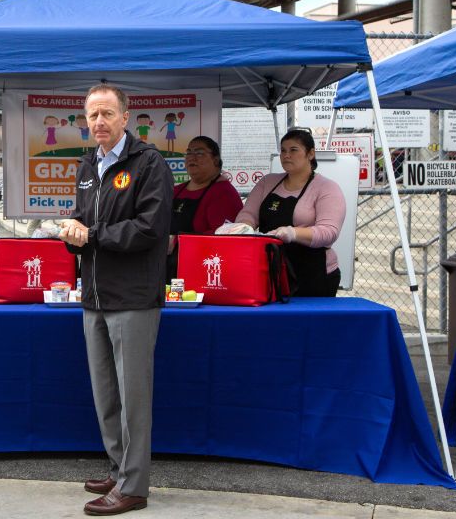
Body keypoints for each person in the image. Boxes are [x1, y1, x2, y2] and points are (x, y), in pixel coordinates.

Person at [59, 84, 173, 516]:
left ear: (127, 117)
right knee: (105, 394)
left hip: (134, 298)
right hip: (95, 297)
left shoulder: (149, 164)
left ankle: (134, 486)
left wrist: (92, 236)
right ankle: (118, 466)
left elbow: (150, 229)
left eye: (108, 113)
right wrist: (73, 236)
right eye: (92, 116)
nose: (99, 122)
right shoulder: (88, 164)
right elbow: (86, 224)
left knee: (133, 396)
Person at [234, 128, 345, 297]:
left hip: (313, 274)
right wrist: (242, 227)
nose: (286, 155)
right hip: (271, 269)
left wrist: (292, 233)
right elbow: (249, 213)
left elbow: (329, 232)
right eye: (283, 151)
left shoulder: (327, 188)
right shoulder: (268, 182)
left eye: (293, 150)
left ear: (310, 154)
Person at [167, 135, 243, 279]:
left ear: (215, 159)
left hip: (204, 268)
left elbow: (224, 234)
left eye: (199, 153)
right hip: (170, 267)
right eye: (189, 152)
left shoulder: (223, 193)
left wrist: (178, 240)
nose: (192, 157)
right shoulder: (176, 191)